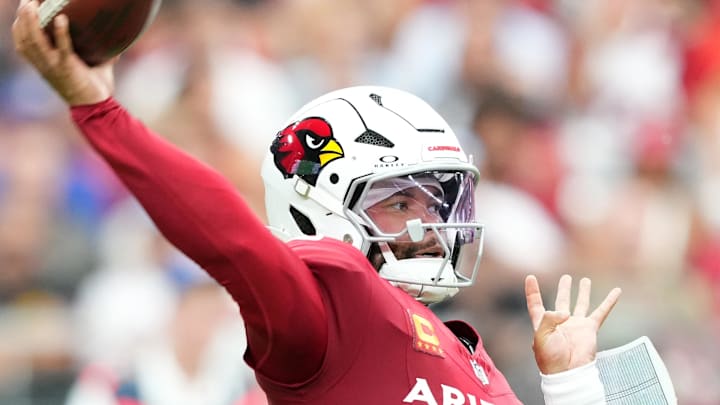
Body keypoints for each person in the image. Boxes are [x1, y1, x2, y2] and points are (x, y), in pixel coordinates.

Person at [12, 1, 622, 404]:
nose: (431, 224)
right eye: (402, 202)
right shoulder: (330, 315)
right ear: (320, 202)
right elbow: (229, 237)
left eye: (438, 203)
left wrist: (571, 384)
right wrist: (103, 114)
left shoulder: (473, 354)